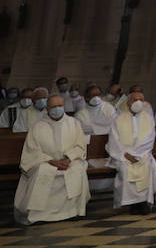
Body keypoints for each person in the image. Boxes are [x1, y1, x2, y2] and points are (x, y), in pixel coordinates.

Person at [13, 92, 88, 225]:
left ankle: (73, 211)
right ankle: (39, 214)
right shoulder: (37, 126)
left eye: (60, 105)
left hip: (68, 161)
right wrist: (50, 160)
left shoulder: (74, 123)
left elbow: (80, 146)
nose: (57, 109)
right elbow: (32, 151)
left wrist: (68, 158)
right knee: (43, 171)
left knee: (78, 169)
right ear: (47, 108)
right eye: (53, 106)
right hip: (45, 161)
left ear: (64, 106)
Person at [108, 90, 156, 214]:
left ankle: (144, 202)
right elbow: (114, 140)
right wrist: (125, 155)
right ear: (128, 103)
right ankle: (132, 204)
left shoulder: (149, 118)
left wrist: (138, 155)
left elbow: (150, 139)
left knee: (149, 166)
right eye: (135, 100)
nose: (138, 102)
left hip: (143, 154)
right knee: (125, 169)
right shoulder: (118, 119)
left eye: (141, 100)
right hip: (123, 156)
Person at [74, 85, 116, 194]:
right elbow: (79, 134)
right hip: (89, 152)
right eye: (92, 95)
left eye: (98, 95)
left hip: (108, 150)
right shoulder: (80, 115)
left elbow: (115, 127)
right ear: (86, 98)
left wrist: (93, 128)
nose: (96, 98)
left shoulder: (109, 109)